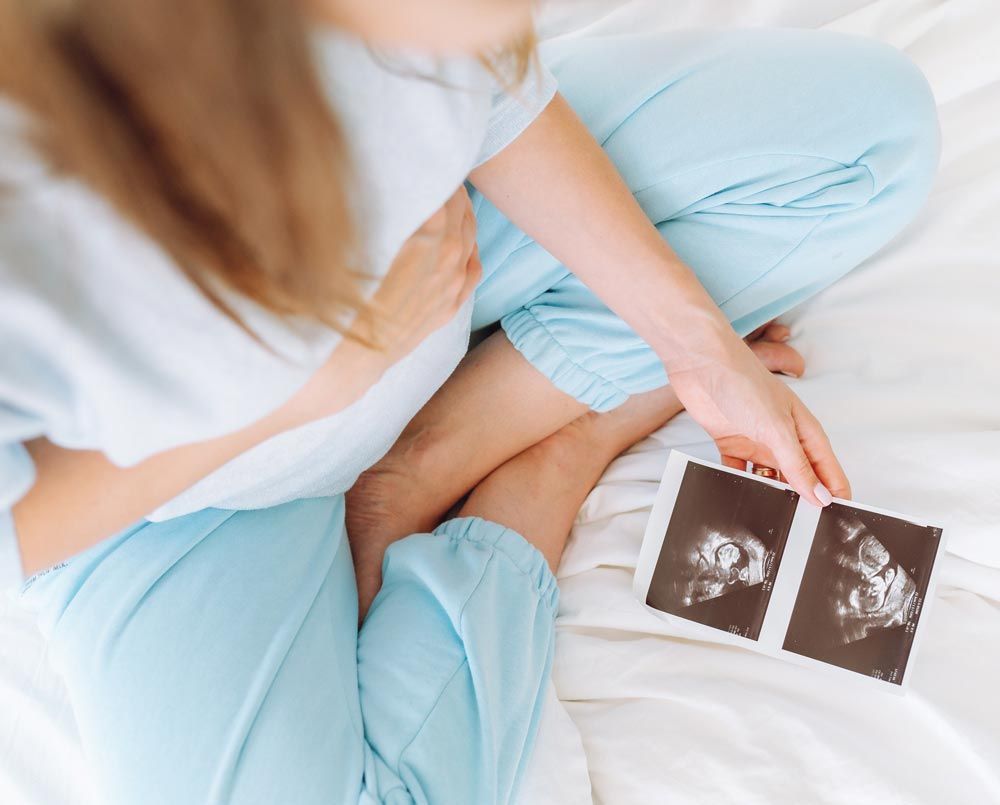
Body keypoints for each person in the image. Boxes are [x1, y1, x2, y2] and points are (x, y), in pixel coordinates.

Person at [0, 0, 938, 802]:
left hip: (443, 265)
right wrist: (304, 394)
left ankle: (431, 458)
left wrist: (695, 347)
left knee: (870, 138)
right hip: (188, 492)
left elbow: (496, 84)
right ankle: (554, 454)